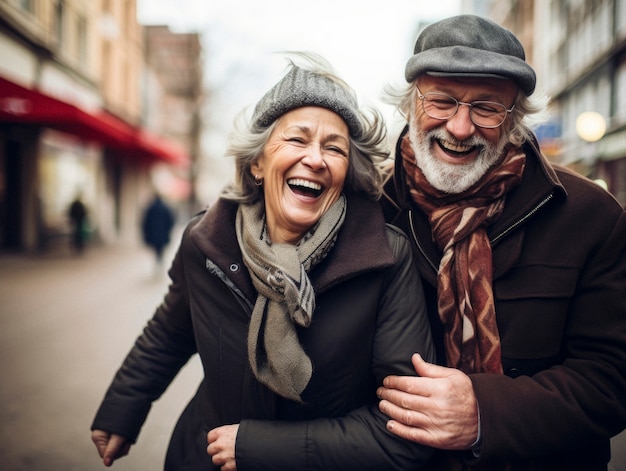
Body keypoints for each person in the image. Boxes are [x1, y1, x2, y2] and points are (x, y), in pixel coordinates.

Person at [91, 52, 435, 470]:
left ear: (348, 172)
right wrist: (123, 407)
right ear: (258, 161)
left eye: (334, 148)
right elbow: (171, 330)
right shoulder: (207, 242)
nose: (316, 158)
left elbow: (405, 427)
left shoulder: (385, 257)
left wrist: (260, 448)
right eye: (297, 139)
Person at [377, 14, 626, 470]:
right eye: (442, 101)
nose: (459, 126)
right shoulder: (368, 208)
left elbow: (611, 380)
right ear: (411, 104)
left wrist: (484, 414)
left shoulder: (592, 218)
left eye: (487, 108)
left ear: (514, 120)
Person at [141, 193, 176, 269]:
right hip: (163, 234)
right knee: (161, 248)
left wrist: (146, 232)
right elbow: (171, 221)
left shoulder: (150, 208)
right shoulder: (165, 208)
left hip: (153, 234)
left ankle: (158, 260)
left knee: (157, 248)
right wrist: (168, 230)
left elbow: (145, 222)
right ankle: (159, 260)